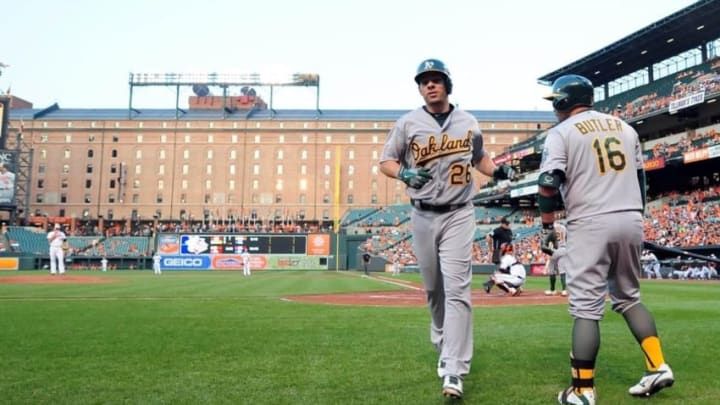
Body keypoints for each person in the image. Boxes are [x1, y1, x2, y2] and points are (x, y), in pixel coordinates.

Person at [379, 58, 516, 400]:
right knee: (433, 290)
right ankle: (443, 341)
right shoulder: (408, 122)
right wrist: (404, 173)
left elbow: (480, 157)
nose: (429, 85)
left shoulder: (467, 121)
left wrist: (496, 170)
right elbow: (386, 161)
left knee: (457, 290)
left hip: (458, 212)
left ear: (447, 84)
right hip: (422, 214)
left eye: (435, 79)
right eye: (424, 81)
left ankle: (454, 368)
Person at [538, 74, 673, 405]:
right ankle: (657, 365)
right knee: (628, 297)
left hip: (589, 221)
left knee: (586, 307)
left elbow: (547, 183)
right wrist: (635, 218)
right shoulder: (625, 128)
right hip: (630, 216)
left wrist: (546, 227)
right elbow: (642, 181)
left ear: (563, 101)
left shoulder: (561, 133)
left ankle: (582, 391)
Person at [542, 221, 568, 296]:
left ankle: (552, 290)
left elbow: (549, 242)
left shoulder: (551, 229)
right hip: (564, 249)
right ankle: (564, 290)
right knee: (562, 271)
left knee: (551, 270)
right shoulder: (563, 227)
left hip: (555, 250)